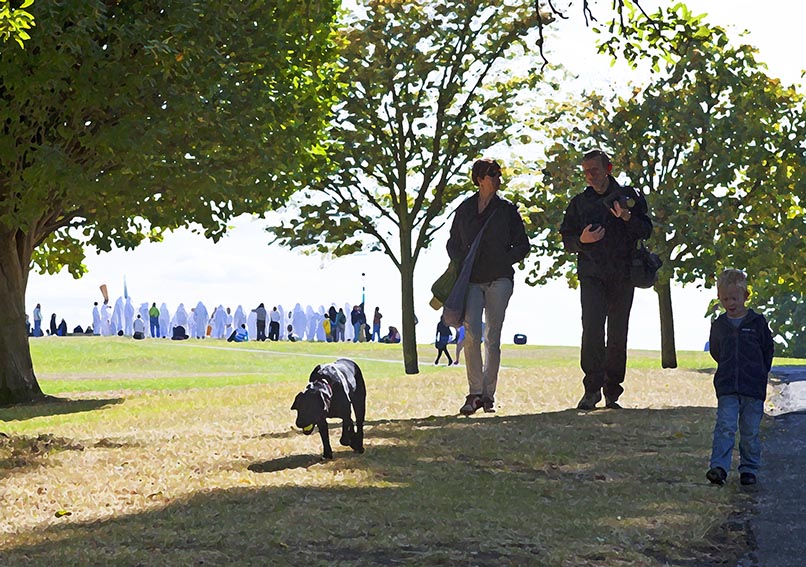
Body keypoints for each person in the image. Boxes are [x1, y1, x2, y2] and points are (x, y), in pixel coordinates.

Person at [560, 149, 652, 410]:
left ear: (608, 169)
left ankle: (612, 392)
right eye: (586, 172)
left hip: (623, 275)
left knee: (618, 333)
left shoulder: (629, 197)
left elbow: (646, 230)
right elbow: (566, 239)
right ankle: (591, 390)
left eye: (595, 170)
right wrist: (582, 240)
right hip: (592, 276)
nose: (590, 176)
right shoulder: (579, 203)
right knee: (592, 331)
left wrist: (626, 217)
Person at [447, 158, 529, 415]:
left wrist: (503, 259)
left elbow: (523, 245)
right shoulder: (465, 209)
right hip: (472, 280)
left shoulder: (507, 210)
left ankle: (488, 395)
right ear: (479, 179)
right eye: (492, 174)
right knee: (471, 334)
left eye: (498, 174)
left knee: (492, 337)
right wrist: (461, 262)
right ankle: (474, 393)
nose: (498, 179)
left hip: (500, 280)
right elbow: (452, 243)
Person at [706, 269, 774, 487]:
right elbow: (717, 351)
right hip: (727, 386)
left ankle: (749, 468)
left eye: (734, 298)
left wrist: (759, 372)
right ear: (720, 298)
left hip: (753, 387)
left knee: (750, 430)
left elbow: (767, 350)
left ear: (745, 296)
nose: (730, 303)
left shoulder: (757, 323)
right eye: (725, 299)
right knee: (725, 426)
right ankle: (719, 468)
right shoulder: (719, 325)